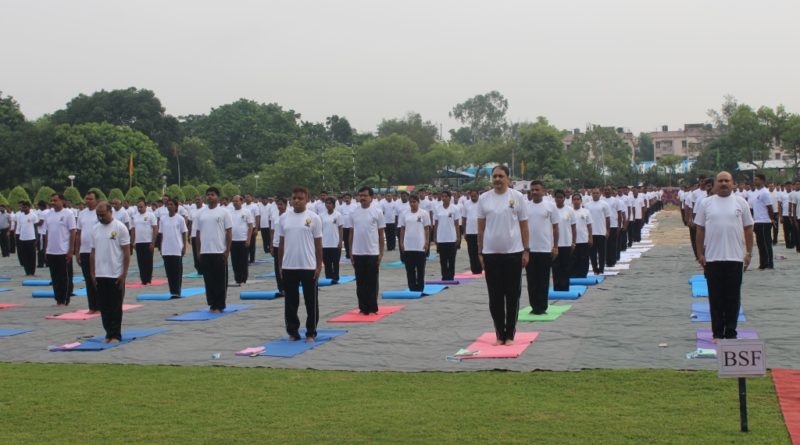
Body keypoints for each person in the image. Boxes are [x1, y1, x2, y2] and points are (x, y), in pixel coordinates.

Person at [694, 171, 754, 340]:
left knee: (733, 298)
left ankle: (731, 331)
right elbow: (700, 229)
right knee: (716, 298)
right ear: (714, 184)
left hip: (735, 258)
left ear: (733, 183)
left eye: (727, 180)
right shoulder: (706, 203)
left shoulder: (741, 202)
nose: (723, 184)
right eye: (720, 181)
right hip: (713, 259)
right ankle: (718, 333)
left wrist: (748, 253)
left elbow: (748, 228)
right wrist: (700, 253)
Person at [477, 165, 529, 346]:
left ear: (507, 178)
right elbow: (481, 227)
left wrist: (526, 250)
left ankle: (510, 334)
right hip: (491, 254)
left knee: (512, 295)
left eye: (501, 176)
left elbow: (523, 225)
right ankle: (499, 333)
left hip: (513, 253)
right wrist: (480, 252)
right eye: (495, 176)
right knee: (495, 296)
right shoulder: (484, 199)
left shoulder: (517, 197)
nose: (497, 179)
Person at [277, 187, 323, 342]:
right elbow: (281, 243)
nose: (296, 201)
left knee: (311, 302)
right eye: (294, 198)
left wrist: (318, 265)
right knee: (290, 302)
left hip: (308, 266)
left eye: (300, 198)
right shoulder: (284, 218)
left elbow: (318, 244)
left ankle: (311, 332)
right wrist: (280, 265)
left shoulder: (314, 218)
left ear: (307, 199)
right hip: (289, 266)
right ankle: (293, 331)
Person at [90, 201, 131, 343]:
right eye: (98, 215)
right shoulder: (95, 229)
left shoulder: (120, 228)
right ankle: (108, 333)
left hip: (115, 273)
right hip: (101, 274)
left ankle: (115, 335)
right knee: (104, 306)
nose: (101, 218)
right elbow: (93, 253)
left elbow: (126, 253)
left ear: (110, 212)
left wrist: (123, 274)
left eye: (103, 215)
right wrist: (92, 273)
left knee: (115, 306)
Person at [195, 187, 233, 312]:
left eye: (212, 195)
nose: (210, 197)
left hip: (219, 251)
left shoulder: (223, 212)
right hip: (205, 251)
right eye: (208, 195)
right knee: (209, 280)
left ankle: (220, 304)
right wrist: (198, 251)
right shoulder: (200, 213)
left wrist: (227, 250)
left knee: (220, 280)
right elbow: (197, 233)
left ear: (217, 197)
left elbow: (228, 232)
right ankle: (212, 303)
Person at [349, 187, 386, 315]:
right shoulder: (354, 213)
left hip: (372, 252)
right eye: (360, 195)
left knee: (372, 281)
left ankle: (372, 307)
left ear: (371, 197)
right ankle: (363, 307)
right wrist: (350, 252)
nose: (362, 198)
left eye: (365, 195)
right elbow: (351, 233)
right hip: (358, 252)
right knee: (360, 282)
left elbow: (381, 234)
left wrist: (381, 253)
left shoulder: (377, 212)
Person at [525, 181, 559, 315]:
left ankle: (542, 306)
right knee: (531, 280)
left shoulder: (550, 207)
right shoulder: (526, 207)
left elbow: (556, 227)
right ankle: (534, 306)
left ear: (543, 191)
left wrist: (555, 246)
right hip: (530, 250)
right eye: (532, 190)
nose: (534, 192)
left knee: (543, 279)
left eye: (537, 190)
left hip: (545, 249)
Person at [42, 194, 76, 307]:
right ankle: (58, 299)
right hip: (52, 251)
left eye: (55, 200)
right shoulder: (49, 214)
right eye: (51, 200)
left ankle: (64, 299)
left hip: (63, 251)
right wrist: (46, 249)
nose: (53, 202)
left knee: (64, 277)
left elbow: (72, 232)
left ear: (62, 201)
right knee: (55, 277)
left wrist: (71, 250)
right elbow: (47, 232)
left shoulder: (68, 214)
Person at [399, 194, 431, 291]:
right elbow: (402, 229)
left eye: (414, 202)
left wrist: (427, 243)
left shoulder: (424, 213)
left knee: (420, 269)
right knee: (409, 269)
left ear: (418, 202)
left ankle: (420, 287)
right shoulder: (404, 214)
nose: (412, 204)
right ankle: (412, 287)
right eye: (411, 202)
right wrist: (401, 242)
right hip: (408, 245)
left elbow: (427, 229)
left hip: (420, 245)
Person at [76, 191, 100, 313]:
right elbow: (78, 233)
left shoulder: (100, 213)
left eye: (91, 199)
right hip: (85, 251)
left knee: (98, 279)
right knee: (88, 279)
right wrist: (77, 251)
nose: (88, 201)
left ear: (96, 200)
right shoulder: (82, 214)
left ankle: (101, 305)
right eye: (87, 198)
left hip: (98, 251)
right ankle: (92, 306)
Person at [159, 198, 188, 299]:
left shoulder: (180, 219)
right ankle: (172, 291)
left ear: (176, 207)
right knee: (169, 272)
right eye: (168, 204)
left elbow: (184, 233)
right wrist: (161, 247)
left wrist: (184, 246)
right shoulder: (163, 219)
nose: (169, 206)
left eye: (171, 204)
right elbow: (161, 234)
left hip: (176, 248)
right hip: (166, 249)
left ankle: (177, 291)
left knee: (177, 272)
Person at [434, 190, 461, 281]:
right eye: (443, 196)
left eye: (446, 196)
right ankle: (444, 276)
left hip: (452, 238)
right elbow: (436, 223)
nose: (444, 198)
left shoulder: (454, 209)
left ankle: (451, 276)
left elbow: (457, 224)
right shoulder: (438, 208)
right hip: (441, 238)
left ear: (450, 198)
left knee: (451, 259)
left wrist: (458, 237)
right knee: (443, 260)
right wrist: (435, 236)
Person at [552, 190, 576, 291]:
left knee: (565, 266)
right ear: (554, 198)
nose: (559, 199)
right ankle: (557, 287)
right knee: (555, 267)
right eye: (557, 197)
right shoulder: (552, 210)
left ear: (564, 198)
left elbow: (573, 227)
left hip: (566, 242)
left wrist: (573, 242)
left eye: (561, 197)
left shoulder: (570, 210)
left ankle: (565, 286)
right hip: (554, 244)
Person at [229, 195, 254, 286]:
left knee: (243, 260)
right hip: (233, 240)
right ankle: (237, 278)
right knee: (234, 261)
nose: (235, 203)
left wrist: (248, 239)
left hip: (243, 240)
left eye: (237, 201)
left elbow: (250, 226)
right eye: (233, 201)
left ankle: (244, 278)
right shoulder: (230, 212)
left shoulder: (246, 212)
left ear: (241, 201)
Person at [751, 174, 775, 270]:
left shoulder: (765, 192)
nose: (755, 181)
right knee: (760, 244)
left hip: (765, 221)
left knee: (766, 243)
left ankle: (769, 263)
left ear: (762, 181)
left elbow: (769, 207)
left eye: (756, 179)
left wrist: (771, 219)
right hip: (757, 221)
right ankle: (763, 263)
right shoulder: (756, 192)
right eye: (754, 179)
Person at [130, 200, 157, 285]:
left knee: (148, 261)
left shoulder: (150, 215)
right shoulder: (135, 216)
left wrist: (153, 243)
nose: (140, 208)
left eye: (141, 206)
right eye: (138, 207)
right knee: (140, 261)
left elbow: (155, 229)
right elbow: (133, 230)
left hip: (148, 242)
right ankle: (143, 279)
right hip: (139, 242)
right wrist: (132, 242)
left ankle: (148, 279)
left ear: (146, 206)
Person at [584, 188, 610, 275]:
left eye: (597, 193)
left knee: (602, 252)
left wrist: (607, 231)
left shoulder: (604, 204)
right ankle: (595, 269)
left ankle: (601, 268)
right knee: (592, 253)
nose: (595, 194)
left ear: (600, 194)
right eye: (594, 193)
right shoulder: (587, 205)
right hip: (591, 233)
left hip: (601, 232)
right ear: (591, 194)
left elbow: (607, 218)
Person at [320, 197, 343, 283]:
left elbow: (340, 228)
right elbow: (320, 229)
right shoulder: (322, 215)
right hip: (325, 243)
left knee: (335, 262)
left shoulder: (338, 215)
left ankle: (336, 277)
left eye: (330, 203)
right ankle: (328, 277)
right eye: (326, 203)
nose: (328, 205)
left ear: (333, 205)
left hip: (335, 242)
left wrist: (340, 241)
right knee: (327, 262)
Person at [570, 193, 593, 278]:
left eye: (578, 199)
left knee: (584, 259)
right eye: (574, 199)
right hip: (572, 241)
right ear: (572, 201)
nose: (576, 201)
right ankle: (573, 275)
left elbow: (589, 226)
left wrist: (590, 237)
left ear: (581, 201)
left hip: (583, 239)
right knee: (573, 259)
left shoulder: (586, 211)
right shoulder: (569, 212)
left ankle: (583, 275)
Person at [15, 201, 39, 277]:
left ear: (29, 207)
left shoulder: (33, 216)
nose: (23, 209)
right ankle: (27, 271)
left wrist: (36, 238)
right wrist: (18, 236)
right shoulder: (20, 216)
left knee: (31, 256)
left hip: (31, 238)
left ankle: (32, 272)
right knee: (24, 256)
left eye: (25, 207)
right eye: (22, 207)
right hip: (22, 238)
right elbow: (19, 227)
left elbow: (36, 228)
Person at [461, 189, 482, 274]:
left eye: (475, 196)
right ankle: (474, 269)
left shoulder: (482, 203)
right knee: (471, 251)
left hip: (480, 232)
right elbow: (464, 219)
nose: (473, 198)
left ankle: (480, 267)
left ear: (478, 195)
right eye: (472, 196)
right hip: (470, 232)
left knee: (480, 251)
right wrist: (464, 232)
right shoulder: (466, 204)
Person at [270, 197, 288, 297]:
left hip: (287, 244)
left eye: (281, 204)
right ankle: (281, 288)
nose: (279, 206)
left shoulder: (289, 216)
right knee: (278, 267)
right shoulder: (274, 216)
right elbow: (272, 231)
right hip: (276, 244)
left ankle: (288, 287)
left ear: (286, 205)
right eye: (278, 204)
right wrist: (272, 246)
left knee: (286, 267)